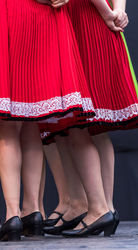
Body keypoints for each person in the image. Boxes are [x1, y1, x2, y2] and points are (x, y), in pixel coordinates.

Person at [0, 0, 97, 241]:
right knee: (30, 119)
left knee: (7, 124)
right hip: (37, 14)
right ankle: (32, 211)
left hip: (3, 11)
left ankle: (13, 214)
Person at [44, 0, 138, 237]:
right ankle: (102, 207)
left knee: (77, 123)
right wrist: (118, 10)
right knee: (90, 126)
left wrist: (109, 13)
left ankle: (96, 207)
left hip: (83, 21)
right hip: (93, 20)